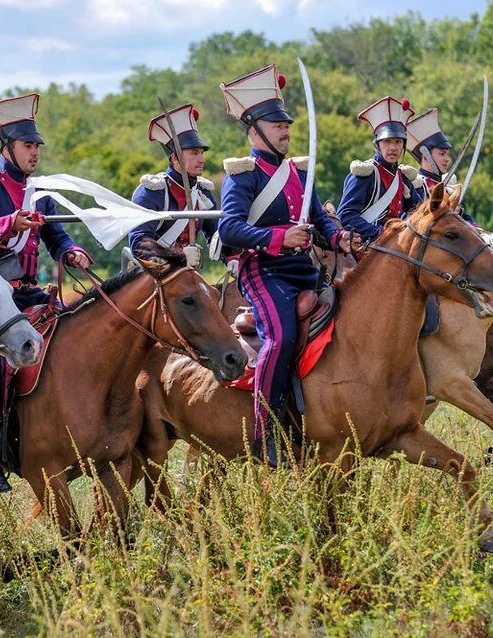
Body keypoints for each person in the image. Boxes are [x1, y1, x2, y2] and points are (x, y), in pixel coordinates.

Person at [0, 92, 93, 492]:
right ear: (7, 147)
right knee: (1, 362)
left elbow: (55, 234)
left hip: (32, 293)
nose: (35, 153)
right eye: (28, 146)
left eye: (37, 146)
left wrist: (71, 251)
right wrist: (7, 223)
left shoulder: (38, 190)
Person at [216, 64, 343, 468]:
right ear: (254, 131)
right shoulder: (243, 174)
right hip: (263, 272)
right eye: (276, 125)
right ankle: (266, 432)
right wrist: (277, 237)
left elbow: (322, 225)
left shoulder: (299, 172)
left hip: (304, 270)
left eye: (286, 124)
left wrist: (343, 239)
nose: (286, 130)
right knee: (282, 337)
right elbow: (230, 228)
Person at [128, 103, 217, 266]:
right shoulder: (152, 191)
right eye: (194, 153)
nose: (202, 159)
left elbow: (217, 233)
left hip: (188, 274)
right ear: (174, 158)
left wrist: (232, 258)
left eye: (201, 153)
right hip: (153, 273)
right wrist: (179, 255)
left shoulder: (203, 192)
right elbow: (139, 243)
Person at [336, 96, 424, 250]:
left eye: (398, 142)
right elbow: (345, 216)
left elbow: (419, 214)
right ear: (377, 144)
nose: (393, 148)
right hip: (367, 248)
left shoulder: (402, 179)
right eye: (387, 141)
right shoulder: (366, 174)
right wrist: (381, 233)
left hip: (396, 249)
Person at [405, 107, 477, 227]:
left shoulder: (447, 188)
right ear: (426, 155)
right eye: (442, 154)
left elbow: (467, 221)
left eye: (447, 154)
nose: (447, 159)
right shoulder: (417, 186)